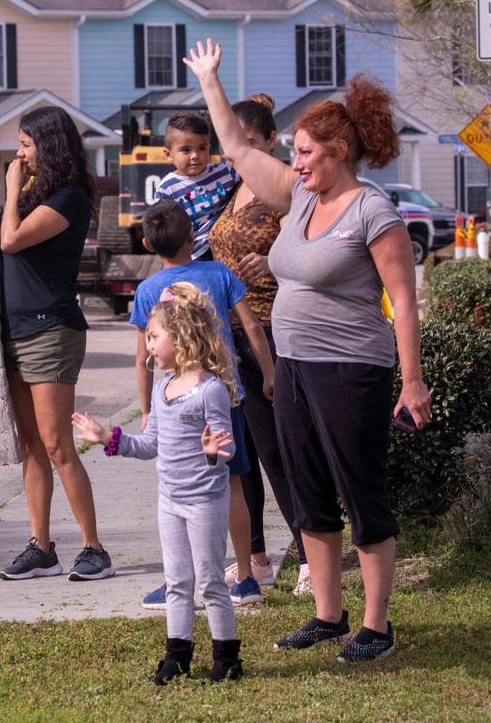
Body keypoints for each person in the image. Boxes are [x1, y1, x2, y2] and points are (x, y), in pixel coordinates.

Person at [185, 39, 431, 663]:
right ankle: (327, 613)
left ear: (338, 151)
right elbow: (238, 147)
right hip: (292, 365)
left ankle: (376, 624)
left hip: (353, 369)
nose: (294, 163)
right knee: (308, 486)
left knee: (359, 488)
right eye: (292, 154)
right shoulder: (300, 200)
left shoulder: (373, 213)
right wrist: (210, 79)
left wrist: (412, 381)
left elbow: (403, 302)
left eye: (303, 152)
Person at [0, 106, 114, 582]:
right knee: (30, 445)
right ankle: (41, 546)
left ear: (49, 147)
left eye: (25, 144)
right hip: (14, 328)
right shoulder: (35, 194)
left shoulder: (69, 198)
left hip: (51, 330)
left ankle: (93, 548)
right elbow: (4, 235)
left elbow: (12, 241)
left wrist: (9, 192)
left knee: (56, 443)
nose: (18, 154)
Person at [73, 282, 245, 685]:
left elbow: (229, 450)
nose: (148, 346)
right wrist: (107, 438)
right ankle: (177, 655)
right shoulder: (162, 386)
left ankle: (227, 658)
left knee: (210, 580)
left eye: (153, 336)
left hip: (205, 502)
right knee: (178, 580)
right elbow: (150, 444)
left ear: (181, 334)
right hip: (170, 501)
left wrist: (210, 451)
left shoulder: (210, 390)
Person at [130, 200, 275, 609]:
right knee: (232, 487)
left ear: (146, 244)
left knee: (178, 495)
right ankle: (245, 577)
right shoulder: (219, 273)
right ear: (195, 237)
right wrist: (269, 373)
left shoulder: (146, 292)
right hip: (224, 397)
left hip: (176, 404)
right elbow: (250, 326)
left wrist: (146, 411)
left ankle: (180, 582)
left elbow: (141, 359)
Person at [207, 93, 311, 596]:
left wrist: (271, 260)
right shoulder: (233, 193)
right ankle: (256, 558)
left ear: (271, 142)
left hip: (273, 331)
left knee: (280, 451)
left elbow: (308, 250)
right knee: (241, 455)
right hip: (232, 338)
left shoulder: (287, 193)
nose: (241, 155)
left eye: (250, 145)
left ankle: (313, 555)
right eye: (234, 147)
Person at [154, 113, 240, 260]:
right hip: (194, 256)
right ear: (168, 154)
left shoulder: (224, 172)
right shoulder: (167, 190)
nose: (195, 155)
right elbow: (166, 230)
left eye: (202, 148)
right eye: (186, 150)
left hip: (229, 246)